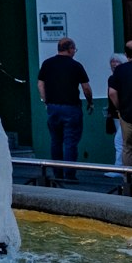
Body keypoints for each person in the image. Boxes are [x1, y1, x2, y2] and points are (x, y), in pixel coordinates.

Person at [36, 37, 92, 179]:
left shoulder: (47, 64)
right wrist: (90, 102)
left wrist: (45, 101)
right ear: (70, 49)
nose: (74, 52)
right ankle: (69, 174)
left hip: (53, 107)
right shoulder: (76, 66)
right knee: (70, 142)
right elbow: (86, 88)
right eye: (74, 49)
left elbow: (40, 84)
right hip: (71, 107)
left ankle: (57, 173)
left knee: (56, 141)